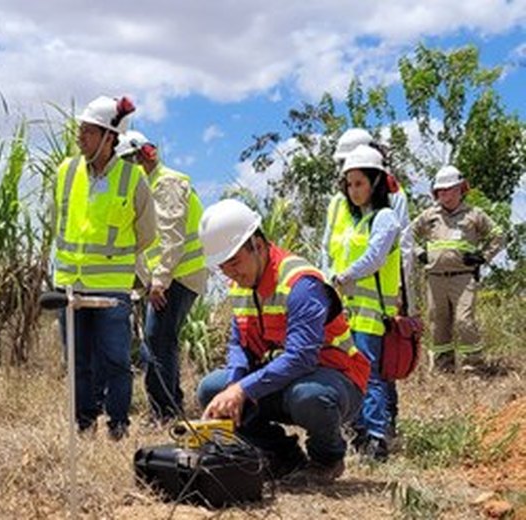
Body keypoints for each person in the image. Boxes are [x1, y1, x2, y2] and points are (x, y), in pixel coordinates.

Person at [196, 199, 369, 485]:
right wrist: (234, 385)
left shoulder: (300, 284)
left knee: (309, 395)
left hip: (336, 380)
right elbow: (239, 343)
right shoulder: (240, 286)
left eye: (235, 262)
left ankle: (327, 459)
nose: (231, 274)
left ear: (258, 245)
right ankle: (283, 456)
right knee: (212, 389)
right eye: (223, 268)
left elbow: (302, 358)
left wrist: (243, 389)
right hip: (285, 379)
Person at [52, 95, 156, 440]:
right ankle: (84, 423)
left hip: (111, 287)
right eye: (80, 129)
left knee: (114, 360)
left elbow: (146, 233)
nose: (80, 136)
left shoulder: (133, 179)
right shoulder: (66, 172)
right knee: (78, 360)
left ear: (110, 137)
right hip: (69, 283)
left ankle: (118, 424)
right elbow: (60, 222)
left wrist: (114, 259)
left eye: (88, 131)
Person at [324, 127, 413, 438]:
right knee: (354, 372)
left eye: (359, 183)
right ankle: (360, 429)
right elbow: (332, 250)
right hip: (349, 311)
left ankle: (377, 436)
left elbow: (375, 257)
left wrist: (344, 275)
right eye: (349, 184)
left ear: (375, 182)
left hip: (372, 312)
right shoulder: (356, 220)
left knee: (372, 374)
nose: (353, 190)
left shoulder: (385, 218)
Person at [115, 130, 207, 425]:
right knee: (160, 342)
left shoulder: (166, 184)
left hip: (177, 277)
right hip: (165, 279)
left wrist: (160, 280)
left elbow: (171, 238)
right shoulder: (144, 188)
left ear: (141, 157)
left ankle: (165, 412)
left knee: (157, 341)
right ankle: (168, 406)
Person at [411, 165, 504, 371]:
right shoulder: (429, 215)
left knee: (464, 321)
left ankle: (474, 366)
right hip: (435, 278)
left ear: (460, 189)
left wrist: (483, 257)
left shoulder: (474, 214)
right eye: (440, 191)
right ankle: (443, 367)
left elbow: (498, 236)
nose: (444, 195)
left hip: (463, 278)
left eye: (449, 189)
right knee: (438, 323)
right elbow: (407, 235)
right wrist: (419, 253)